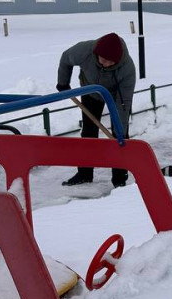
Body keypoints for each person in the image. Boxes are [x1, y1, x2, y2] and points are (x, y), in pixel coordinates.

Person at [56, 32, 136, 187]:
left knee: (120, 135)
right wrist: (63, 83)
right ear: (96, 53)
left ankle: (119, 178)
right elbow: (66, 58)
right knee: (88, 133)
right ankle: (85, 174)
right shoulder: (85, 50)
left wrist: (120, 131)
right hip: (90, 91)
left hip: (116, 97)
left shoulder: (127, 69)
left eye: (110, 62)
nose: (105, 64)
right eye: (103, 59)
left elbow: (124, 103)